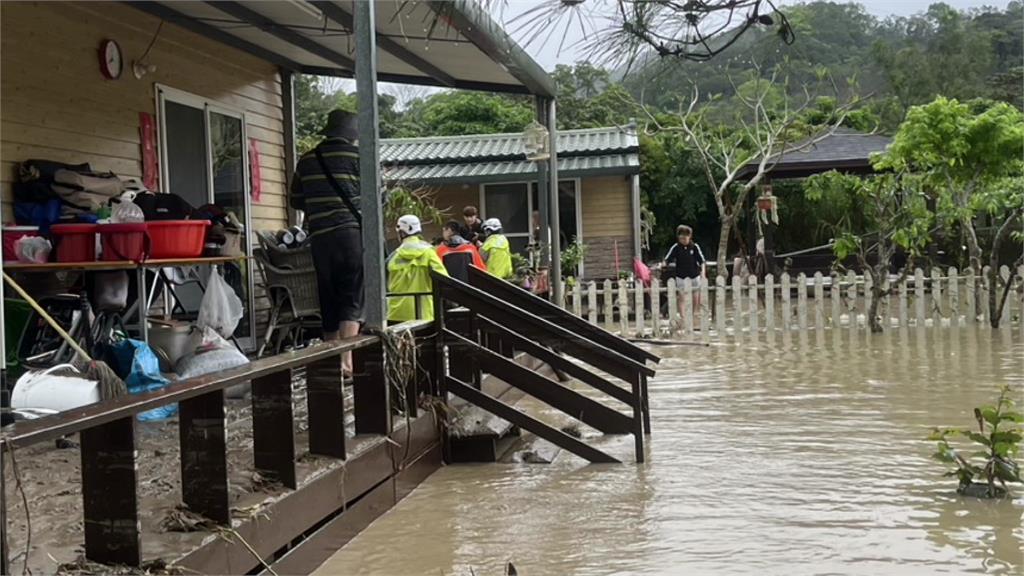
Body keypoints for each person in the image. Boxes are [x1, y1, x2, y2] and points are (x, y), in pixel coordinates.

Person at [290, 109, 362, 375]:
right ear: (352, 135)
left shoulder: (307, 160)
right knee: (352, 296)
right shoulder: (359, 158)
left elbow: (295, 200)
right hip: (350, 235)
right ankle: (347, 361)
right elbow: (379, 198)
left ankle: (331, 360)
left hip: (320, 237)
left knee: (328, 295)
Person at [387, 215, 449, 323]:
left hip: (395, 314)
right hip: (423, 314)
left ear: (401, 233)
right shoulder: (429, 253)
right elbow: (444, 281)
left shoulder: (393, 257)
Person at [663, 224, 706, 320]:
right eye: (681, 237)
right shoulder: (676, 247)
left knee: (695, 297)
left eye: (686, 237)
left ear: (690, 237)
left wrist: (703, 273)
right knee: (681, 297)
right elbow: (667, 259)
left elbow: (702, 261)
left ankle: (693, 314)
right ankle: (683, 317)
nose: (683, 239)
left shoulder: (695, 247)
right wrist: (663, 264)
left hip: (694, 275)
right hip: (681, 276)